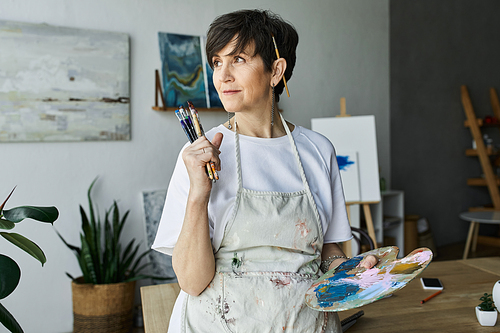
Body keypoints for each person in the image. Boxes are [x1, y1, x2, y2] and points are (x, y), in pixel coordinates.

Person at [152, 9, 378, 332]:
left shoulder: (318, 151)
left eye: (239, 59)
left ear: (276, 71)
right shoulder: (199, 155)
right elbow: (191, 281)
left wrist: (352, 272)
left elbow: (327, 250)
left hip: (307, 324)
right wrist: (198, 194)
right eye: (217, 62)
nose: (222, 75)